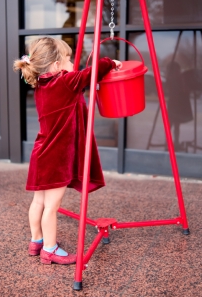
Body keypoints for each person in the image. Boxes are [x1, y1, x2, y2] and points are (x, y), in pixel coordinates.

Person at [13, 37, 121, 265]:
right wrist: (111, 62)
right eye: (68, 59)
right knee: (52, 207)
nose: (73, 63)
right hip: (56, 157)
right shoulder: (65, 82)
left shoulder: (41, 85)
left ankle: (36, 241)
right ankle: (50, 250)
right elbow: (92, 72)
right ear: (55, 65)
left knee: (38, 203)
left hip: (40, 153)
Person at [166, 61, 193, 151]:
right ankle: (174, 143)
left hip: (173, 104)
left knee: (172, 125)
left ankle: (171, 143)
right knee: (174, 124)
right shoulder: (177, 79)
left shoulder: (169, 78)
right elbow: (183, 91)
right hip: (176, 105)